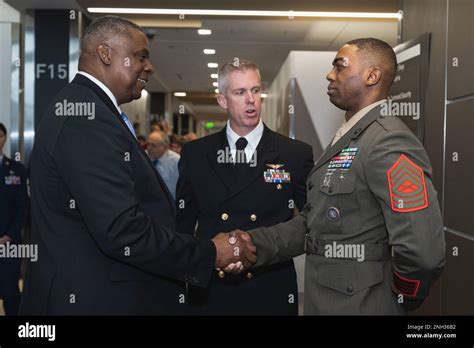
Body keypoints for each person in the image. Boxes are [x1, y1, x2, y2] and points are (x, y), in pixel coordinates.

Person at [20, 16, 255, 315]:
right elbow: (122, 229)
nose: (150, 66)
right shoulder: (87, 118)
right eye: (141, 56)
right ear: (105, 54)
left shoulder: (95, 111)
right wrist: (210, 252)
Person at [224, 38, 446, 315]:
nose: (330, 74)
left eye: (339, 66)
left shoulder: (388, 142)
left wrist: (398, 297)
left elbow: (423, 251)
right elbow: (313, 222)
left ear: (372, 76)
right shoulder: (353, 137)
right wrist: (251, 243)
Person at [176, 59, 314, 315]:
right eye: (240, 92)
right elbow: (183, 226)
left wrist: (258, 249)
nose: (251, 99)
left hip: (269, 285)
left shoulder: (294, 153)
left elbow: (311, 220)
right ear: (222, 100)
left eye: (255, 90)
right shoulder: (196, 154)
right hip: (211, 287)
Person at [0, 123, 28, 315]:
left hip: (9, 245)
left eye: (0, 135)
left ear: (4, 138)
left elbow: (23, 207)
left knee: (11, 295)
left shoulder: (16, 170)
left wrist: (8, 236)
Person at [147, 130, 180, 199]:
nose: (149, 148)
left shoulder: (176, 161)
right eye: (148, 144)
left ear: (165, 147)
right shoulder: (142, 157)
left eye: (153, 145)